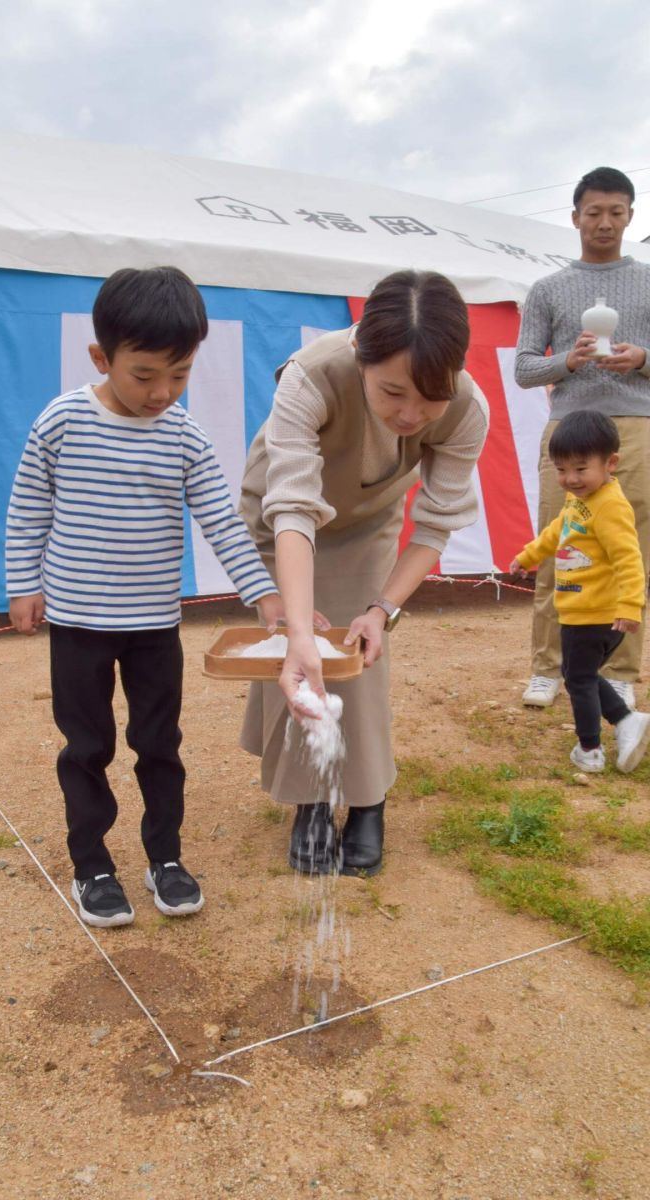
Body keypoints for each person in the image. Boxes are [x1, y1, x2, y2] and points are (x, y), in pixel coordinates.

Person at [6, 267, 280, 927]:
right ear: (102, 358)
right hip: (77, 623)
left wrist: (266, 596)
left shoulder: (184, 437)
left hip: (154, 626)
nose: (163, 392)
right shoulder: (63, 420)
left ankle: (166, 857)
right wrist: (22, 583)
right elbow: (28, 506)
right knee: (87, 747)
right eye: (145, 375)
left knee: (159, 743)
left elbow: (222, 520)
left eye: (180, 375)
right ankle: (92, 863)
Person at [240, 270, 490, 876]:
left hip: (369, 514)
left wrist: (383, 609)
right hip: (283, 513)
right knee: (298, 651)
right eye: (392, 392)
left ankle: (369, 797)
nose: (411, 414)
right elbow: (294, 505)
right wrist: (299, 626)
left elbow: (434, 524)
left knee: (356, 654)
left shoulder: (466, 408)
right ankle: (311, 800)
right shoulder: (312, 373)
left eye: (430, 397)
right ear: (360, 354)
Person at [514, 166, 650, 710]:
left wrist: (642, 360)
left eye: (616, 212)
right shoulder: (548, 288)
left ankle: (620, 671)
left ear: (631, 216)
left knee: (631, 552)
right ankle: (548, 668)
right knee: (558, 547)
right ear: (574, 218)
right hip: (569, 432)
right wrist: (565, 362)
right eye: (594, 212)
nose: (605, 222)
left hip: (635, 427)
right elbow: (524, 369)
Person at [510, 411, 650, 773]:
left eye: (580, 469)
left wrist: (631, 605)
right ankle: (625, 720)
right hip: (578, 610)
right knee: (579, 674)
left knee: (578, 679)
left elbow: (629, 559)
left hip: (597, 613)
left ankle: (589, 749)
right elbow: (558, 531)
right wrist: (528, 556)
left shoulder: (610, 506)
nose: (569, 479)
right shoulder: (580, 500)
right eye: (561, 470)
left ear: (611, 463)